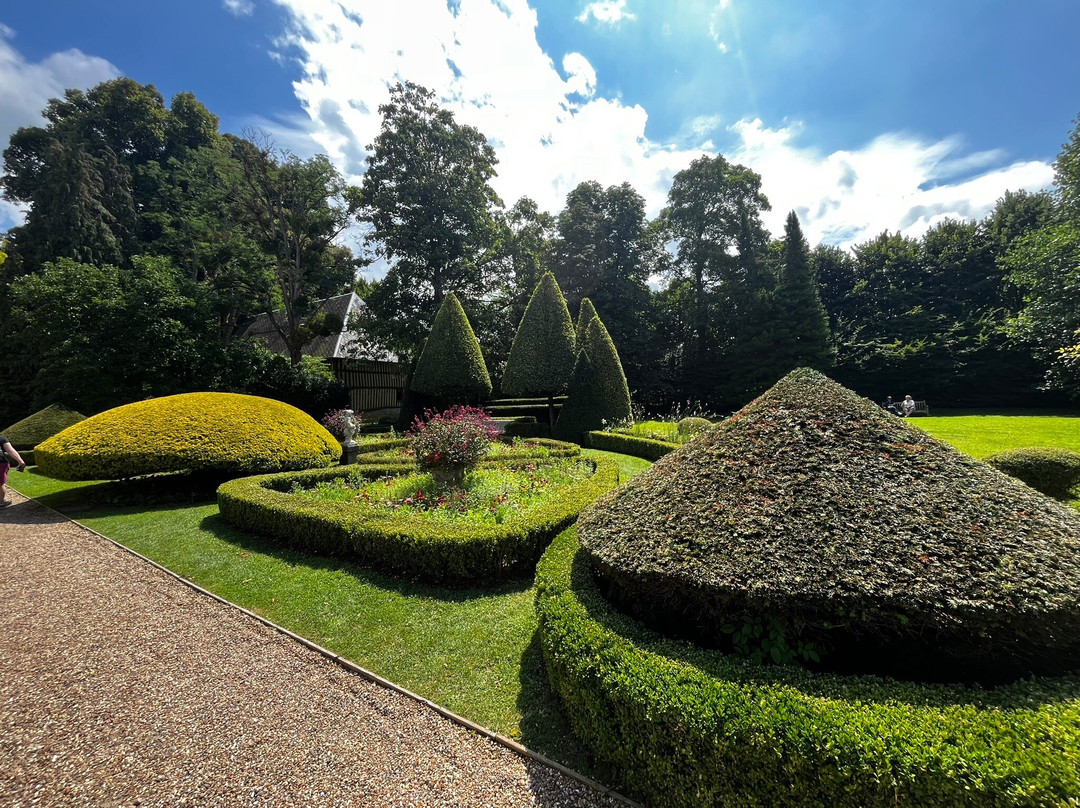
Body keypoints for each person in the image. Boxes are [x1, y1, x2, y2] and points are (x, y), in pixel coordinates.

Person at [0, 434, 27, 509]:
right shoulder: (1, 438)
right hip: (1, 463)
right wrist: (20, 461)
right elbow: (10, 450)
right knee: (0, 484)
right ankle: (1, 503)